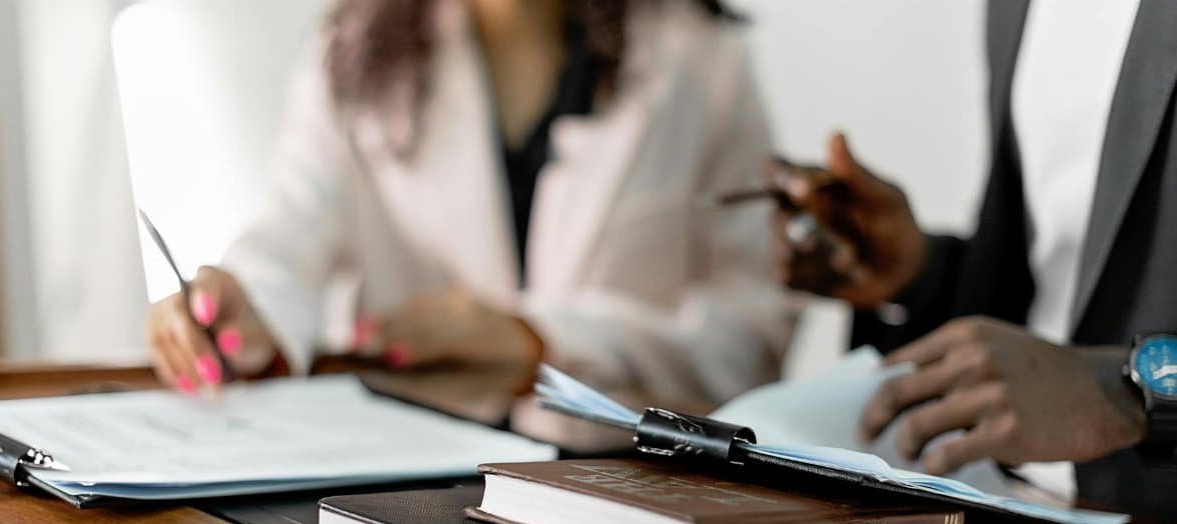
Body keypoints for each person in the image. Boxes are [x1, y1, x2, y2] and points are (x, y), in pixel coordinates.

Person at [146, 0, 795, 407]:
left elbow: (752, 336)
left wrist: (546, 342)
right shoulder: (349, 53)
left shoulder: (704, 59)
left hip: (630, 492)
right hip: (408, 490)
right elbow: (289, 236)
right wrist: (250, 313)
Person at [770, 0, 1177, 514]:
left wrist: (1134, 392)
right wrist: (922, 279)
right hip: (1022, 515)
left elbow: (1093, 375)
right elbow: (1057, 293)